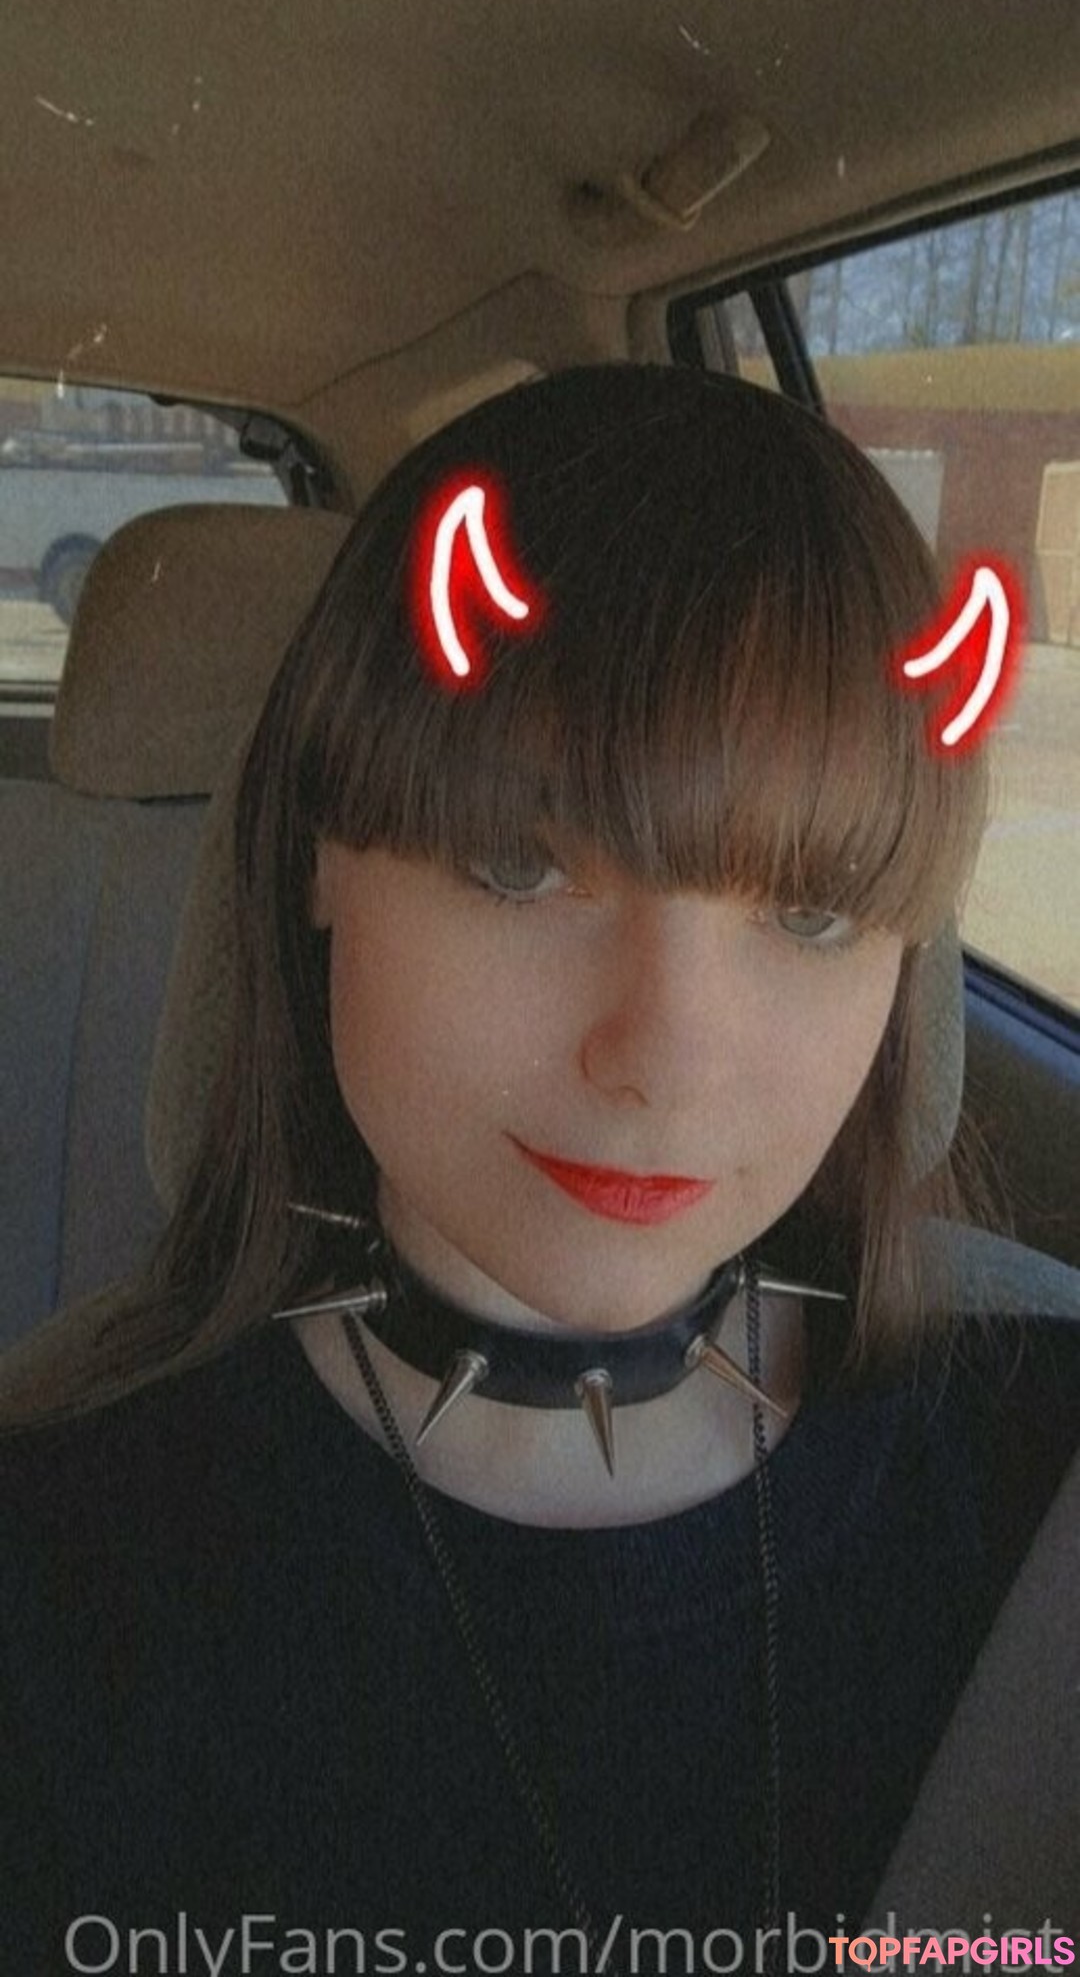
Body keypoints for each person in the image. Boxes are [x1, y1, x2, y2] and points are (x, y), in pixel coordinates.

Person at [1, 366, 1077, 1976]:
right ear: (319, 856)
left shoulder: (1043, 1478)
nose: (666, 1060)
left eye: (810, 914)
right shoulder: (62, 1564)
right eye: (519, 864)